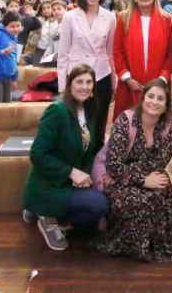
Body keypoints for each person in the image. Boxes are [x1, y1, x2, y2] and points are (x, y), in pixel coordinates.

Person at [95, 80, 172, 262]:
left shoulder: (170, 126)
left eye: (160, 98)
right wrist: (142, 180)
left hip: (150, 174)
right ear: (143, 98)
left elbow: (159, 163)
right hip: (116, 177)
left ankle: (152, 242)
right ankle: (133, 245)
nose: (154, 102)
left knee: (161, 194)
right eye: (150, 96)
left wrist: (148, 178)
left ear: (166, 105)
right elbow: (114, 165)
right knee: (139, 202)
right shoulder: (125, 120)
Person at [23, 64, 109, 251]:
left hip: (71, 182)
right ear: (69, 85)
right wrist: (71, 173)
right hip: (50, 183)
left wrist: (87, 177)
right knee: (98, 205)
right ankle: (46, 216)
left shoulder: (89, 111)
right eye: (79, 82)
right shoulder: (57, 111)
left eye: (89, 82)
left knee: (95, 216)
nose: (84, 87)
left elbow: (90, 150)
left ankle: (47, 213)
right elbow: (37, 154)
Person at [59, 0, 117, 147]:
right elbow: (62, 55)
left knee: (99, 127)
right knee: (77, 126)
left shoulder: (110, 17)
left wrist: (115, 81)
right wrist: (63, 86)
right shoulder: (70, 16)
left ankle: (96, 167)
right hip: (77, 77)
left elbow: (110, 52)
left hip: (101, 76)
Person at [112, 0, 172, 120]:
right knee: (128, 125)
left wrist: (162, 78)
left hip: (158, 82)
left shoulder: (167, 19)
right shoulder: (123, 18)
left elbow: (171, 54)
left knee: (156, 125)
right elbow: (117, 51)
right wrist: (126, 78)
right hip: (130, 83)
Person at [36, 0, 65, 67]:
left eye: (59, 9)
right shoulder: (55, 27)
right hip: (55, 58)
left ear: (65, 9)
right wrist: (46, 55)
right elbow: (51, 45)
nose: (56, 12)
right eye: (54, 10)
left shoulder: (71, 24)